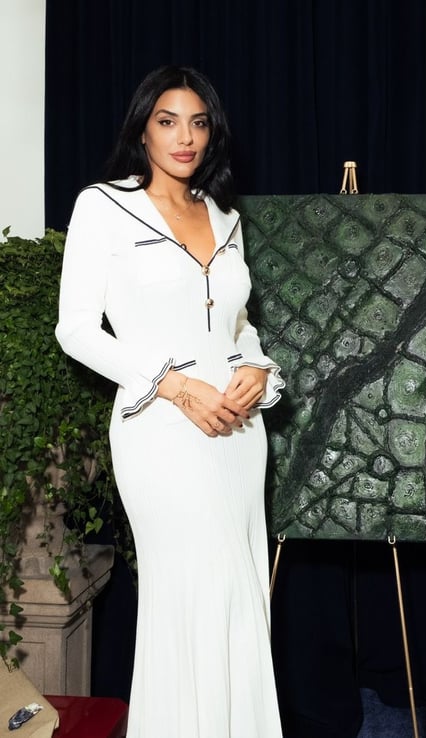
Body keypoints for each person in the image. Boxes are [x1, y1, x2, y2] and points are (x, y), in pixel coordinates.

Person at [56, 66, 285, 737]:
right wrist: (176, 384)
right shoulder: (103, 206)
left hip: (239, 440)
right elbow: (75, 328)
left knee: (240, 600)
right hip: (160, 431)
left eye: (198, 122)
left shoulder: (225, 218)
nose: (185, 137)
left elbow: (239, 330)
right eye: (167, 120)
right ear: (142, 129)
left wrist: (256, 374)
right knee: (188, 597)